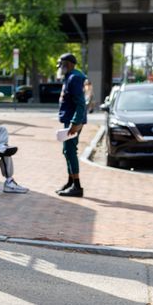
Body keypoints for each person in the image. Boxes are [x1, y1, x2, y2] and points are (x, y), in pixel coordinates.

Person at [56, 53, 87, 197]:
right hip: (69, 119)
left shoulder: (75, 78)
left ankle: (77, 186)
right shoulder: (71, 76)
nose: (60, 67)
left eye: (61, 64)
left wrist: (75, 122)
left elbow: (81, 103)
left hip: (73, 121)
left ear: (67, 64)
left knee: (70, 150)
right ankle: (70, 182)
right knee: (67, 151)